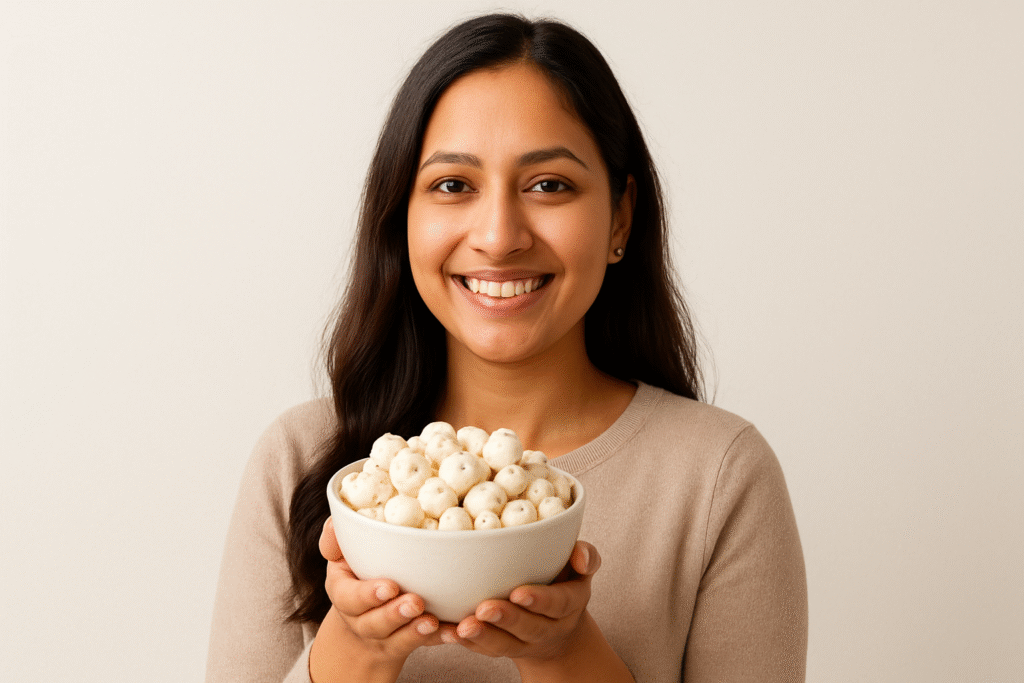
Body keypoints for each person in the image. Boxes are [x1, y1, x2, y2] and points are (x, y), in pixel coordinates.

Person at [206, 13, 807, 683]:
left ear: (620, 217)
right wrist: (358, 650)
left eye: (549, 184)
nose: (498, 236)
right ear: (400, 216)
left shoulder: (718, 477)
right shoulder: (303, 459)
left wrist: (563, 653)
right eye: (453, 186)